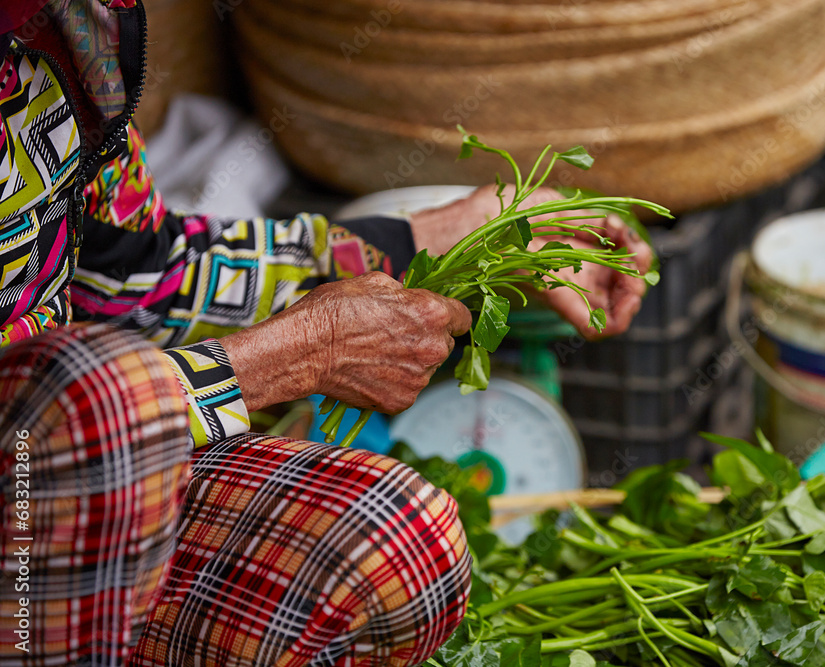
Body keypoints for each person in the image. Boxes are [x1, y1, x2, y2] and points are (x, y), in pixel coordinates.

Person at [0, 1, 654, 665]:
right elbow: (56, 416)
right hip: (23, 491)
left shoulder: (72, 30)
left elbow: (141, 270)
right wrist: (279, 360)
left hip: (87, 493)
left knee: (397, 542)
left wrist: (448, 232)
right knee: (91, 391)